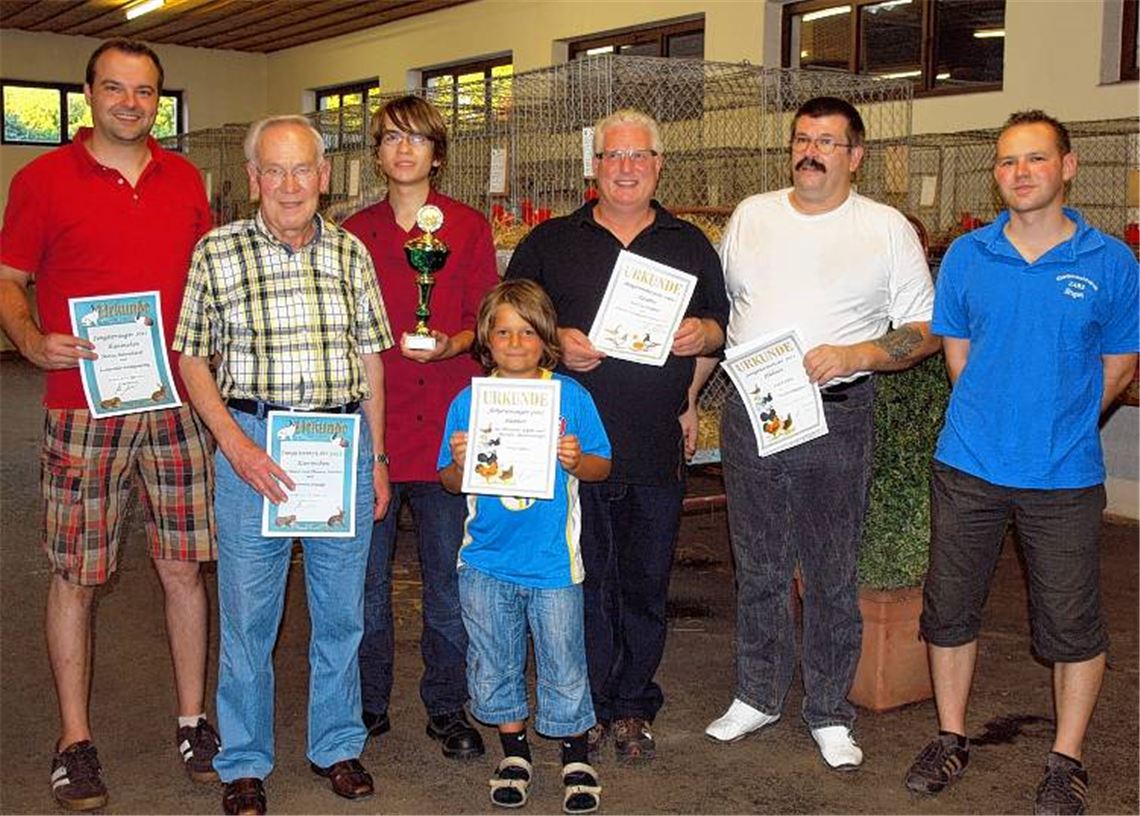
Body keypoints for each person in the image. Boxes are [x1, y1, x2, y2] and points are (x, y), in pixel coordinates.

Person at [0, 39, 219, 811]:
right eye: (116, 88)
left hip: (175, 402)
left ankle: (194, 721)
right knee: (77, 573)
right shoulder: (41, 179)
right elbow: (10, 280)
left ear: (158, 99)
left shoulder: (185, 177)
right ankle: (74, 740)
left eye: (145, 91)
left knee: (183, 566)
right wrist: (29, 341)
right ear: (89, 92)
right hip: (81, 406)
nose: (130, 101)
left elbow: (207, 280)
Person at [904, 111, 1138, 815]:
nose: (1020, 173)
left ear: (1067, 166)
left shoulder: (1110, 263)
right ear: (996, 174)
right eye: (1007, 162)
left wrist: (1062, 421)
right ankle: (950, 737)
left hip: (1064, 476)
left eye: (1035, 159)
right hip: (968, 465)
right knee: (950, 612)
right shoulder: (970, 257)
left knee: (1072, 626)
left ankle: (1066, 759)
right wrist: (1000, 420)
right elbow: (959, 359)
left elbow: (1122, 361)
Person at [704, 96, 939, 770]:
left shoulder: (885, 228)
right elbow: (726, 308)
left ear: (855, 156)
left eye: (828, 142)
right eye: (802, 139)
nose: (811, 151)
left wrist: (858, 354)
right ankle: (757, 694)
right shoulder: (752, 216)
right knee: (758, 562)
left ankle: (830, 711)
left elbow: (924, 330)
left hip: (836, 411)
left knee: (832, 569)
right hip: (754, 409)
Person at [173, 115, 394, 816]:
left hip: (339, 447)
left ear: (325, 177)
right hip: (252, 444)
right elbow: (191, 358)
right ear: (253, 179)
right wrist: (234, 446)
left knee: (340, 613)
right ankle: (243, 758)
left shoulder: (353, 254)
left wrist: (379, 458)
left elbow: (371, 363)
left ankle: (336, 743)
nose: (290, 185)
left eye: (303, 170)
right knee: (248, 617)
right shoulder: (217, 251)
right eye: (275, 170)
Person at [506, 108, 729, 762]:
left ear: (659, 165)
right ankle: (589, 704)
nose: (626, 168)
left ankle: (634, 702)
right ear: (593, 167)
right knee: (581, 581)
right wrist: (554, 342)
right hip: (571, 450)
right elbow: (505, 320)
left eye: (639, 156)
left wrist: (701, 343)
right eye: (613, 156)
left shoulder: (688, 243)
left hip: (655, 443)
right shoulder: (550, 242)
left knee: (645, 579)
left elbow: (721, 326)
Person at [343, 95, 497, 759]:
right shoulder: (352, 232)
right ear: (377, 154)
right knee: (364, 586)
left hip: (447, 433)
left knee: (448, 584)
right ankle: (367, 702)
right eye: (391, 139)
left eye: (417, 139)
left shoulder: (467, 227)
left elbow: (487, 319)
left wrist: (453, 343)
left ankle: (447, 706)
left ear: (437, 152)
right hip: (371, 434)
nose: (404, 150)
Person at [438, 279, 611, 813]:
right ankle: (513, 753)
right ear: (485, 340)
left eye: (527, 332)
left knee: (564, 660)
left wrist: (575, 459)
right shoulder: (470, 402)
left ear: (546, 339)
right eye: (503, 331)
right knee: (494, 660)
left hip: (553, 562)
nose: (515, 343)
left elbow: (602, 466)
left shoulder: (572, 398)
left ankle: (574, 754)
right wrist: (463, 463)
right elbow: (446, 479)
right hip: (486, 561)